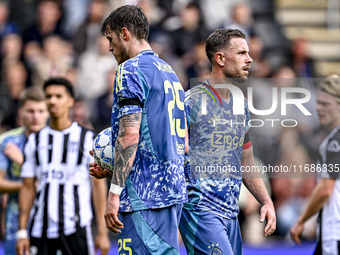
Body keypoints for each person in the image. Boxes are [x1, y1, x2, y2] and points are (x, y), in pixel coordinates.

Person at [89, 5, 187, 254]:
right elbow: (180, 141)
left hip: (143, 197)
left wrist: (114, 192)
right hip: (171, 191)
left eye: (110, 39)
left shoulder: (130, 70)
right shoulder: (169, 73)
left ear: (124, 33)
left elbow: (130, 135)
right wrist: (113, 166)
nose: (109, 47)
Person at [179, 28, 276, 255]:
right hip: (200, 211)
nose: (249, 59)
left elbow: (247, 162)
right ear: (221, 59)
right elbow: (170, 153)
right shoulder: (190, 102)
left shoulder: (240, 105)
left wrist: (266, 201)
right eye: (242, 53)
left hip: (231, 214)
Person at [16, 77, 110, 255]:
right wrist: (22, 231)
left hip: (77, 228)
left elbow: (97, 186)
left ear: (70, 101)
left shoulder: (88, 139)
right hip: (40, 229)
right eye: (48, 96)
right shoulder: (34, 141)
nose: (52, 100)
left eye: (58, 96)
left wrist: (103, 232)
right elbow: (27, 187)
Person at [290, 75, 340, 255]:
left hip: (335, 232)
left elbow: (326, 189)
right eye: (318, 103)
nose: (318, 109)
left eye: (325, 104)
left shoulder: (334, 142)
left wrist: (301, 221)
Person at [0, 86, 49, 255]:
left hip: (51, 226)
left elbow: (52, 182)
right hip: (15, 225)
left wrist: (21, 160)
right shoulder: (7, 141)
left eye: (41, 111)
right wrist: (28, 185)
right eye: (31, 111)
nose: (36, 116)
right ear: (21, 112)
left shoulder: (56, 141)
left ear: (48, 112)